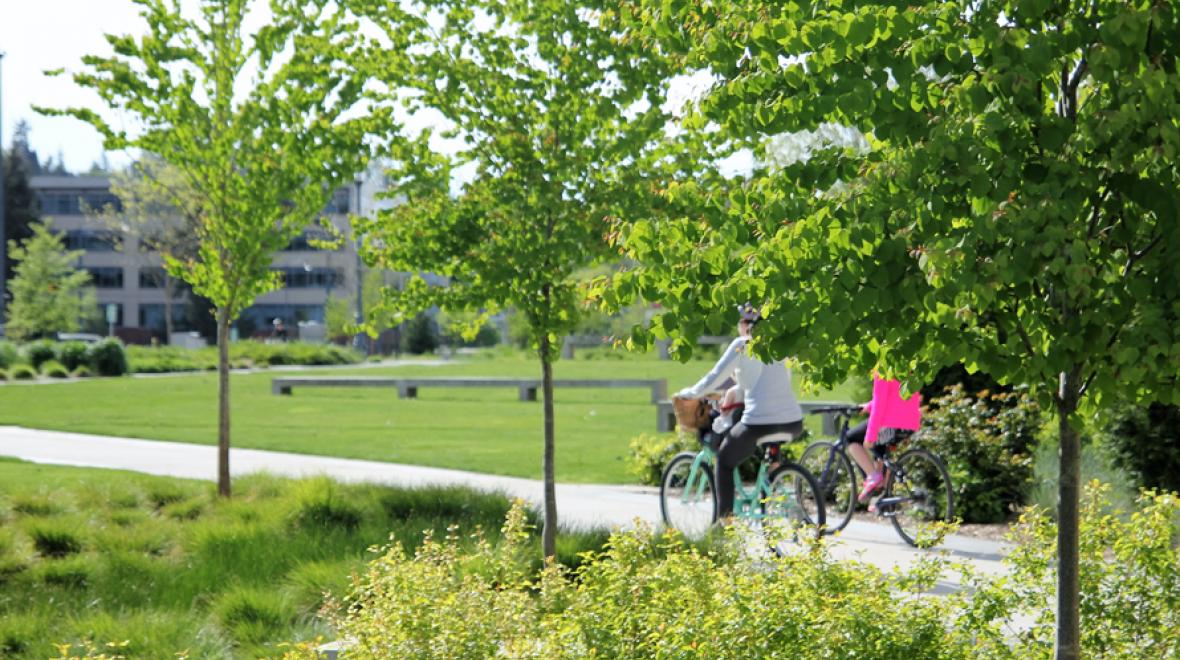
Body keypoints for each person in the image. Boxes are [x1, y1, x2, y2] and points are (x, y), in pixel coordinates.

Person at [674, 303, 804, 520]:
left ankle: (723, 524)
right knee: (770, 459)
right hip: (793, 421)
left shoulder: (743, 345)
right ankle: (775, 494)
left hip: (759, 423)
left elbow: (715, 376)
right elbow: (765, 381)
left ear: (746, 325)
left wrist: (691, 393)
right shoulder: (780, 346)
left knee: (724, 461)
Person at [845, 374, 922, 503]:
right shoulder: (907, 363)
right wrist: (869, 405)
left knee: (851, 438)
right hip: (910, 423)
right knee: (883, 454)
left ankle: (873, 477)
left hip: (891, 424)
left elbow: (880, 405)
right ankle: (885, 498)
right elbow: (895, 396)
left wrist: (870, 436)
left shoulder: (883, 368)